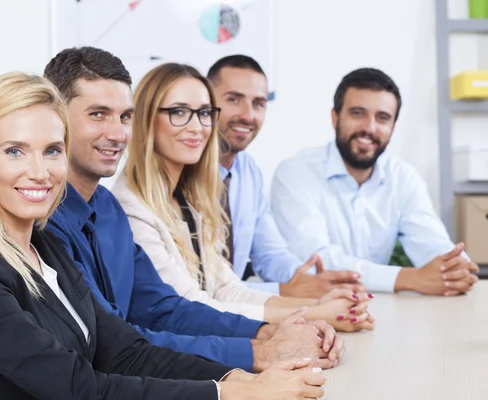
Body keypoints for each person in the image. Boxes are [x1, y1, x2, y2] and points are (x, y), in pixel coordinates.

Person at [0, 71, 328, 400]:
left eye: (51, 150)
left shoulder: (44, 248)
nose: (40, 171)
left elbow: (127, 353)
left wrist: (239, 378)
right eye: (14, 151)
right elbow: (78, 388)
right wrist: (227, 394)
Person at [44, 46, 342, 373]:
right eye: (98, 114)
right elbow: (112, 346)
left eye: (124, 116)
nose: (117, 134)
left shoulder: (109, 210)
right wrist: (259, 352)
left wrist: (267, 332)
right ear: (53, 119)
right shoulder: (44, 223)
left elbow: (165, 309)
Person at [111, 62, 374, 337]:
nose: (197, 127)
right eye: (178, 112)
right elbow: (192, 307)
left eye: (203, 113)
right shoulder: (131, 208)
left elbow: (226, 288)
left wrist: (317, 304)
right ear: (146, 119)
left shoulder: (187, 198)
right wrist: (316, 314)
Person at [270, 67, 480, 295]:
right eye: (357, 113)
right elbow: (317, 263)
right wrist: (409, 278)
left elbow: (430, 241)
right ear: (335, 117)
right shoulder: (296, 173)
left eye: (382, 118)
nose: (369, 128)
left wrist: (455, 268)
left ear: (392, 127)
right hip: (306, 312)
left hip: (377, 308)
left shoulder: (403, 177)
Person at [206, 55, 365, 299]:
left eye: (258, 103)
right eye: (234, 99)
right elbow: (200, 288)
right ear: (205, 102)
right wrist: (286, 290)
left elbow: (269, 254)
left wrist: (306, 279)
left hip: (236, 311)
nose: (248, 115)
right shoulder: (182, 172)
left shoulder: (249, 171)